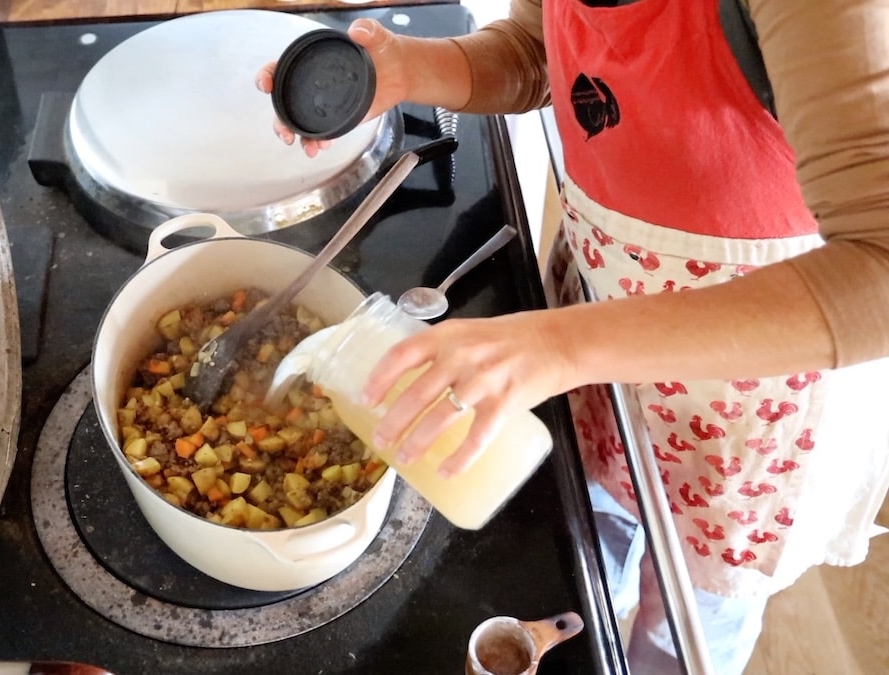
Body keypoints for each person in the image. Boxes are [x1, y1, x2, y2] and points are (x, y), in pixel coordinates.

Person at [257, 1, 889, 673]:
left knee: (688, 614)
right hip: (598, 324)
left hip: (751, 405)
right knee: (593, 533)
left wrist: (562, 345)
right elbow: (540, 54)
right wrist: (416, 68)